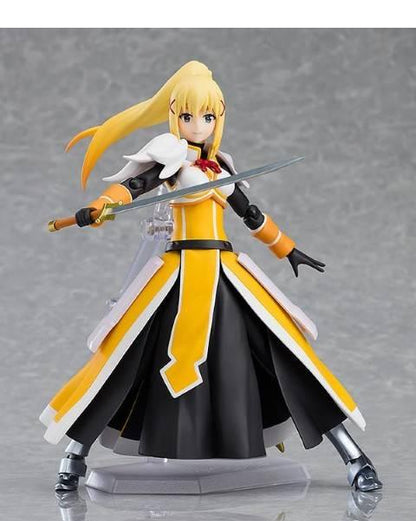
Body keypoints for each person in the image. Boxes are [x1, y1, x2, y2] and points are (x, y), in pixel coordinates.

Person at [40, 61, 382, 493]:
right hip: (177, 272)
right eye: (188, 116)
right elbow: (133, 187)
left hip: (226, 270)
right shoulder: (169, 157)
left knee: (286, 352)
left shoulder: (220, 166)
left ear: (218, 118)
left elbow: (250, 213)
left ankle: (352, 455)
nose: (197, 125)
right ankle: (73, 455)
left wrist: (287, 248)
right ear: (174, 116)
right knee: (123, 357)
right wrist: (99, 206)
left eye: (207, 116)